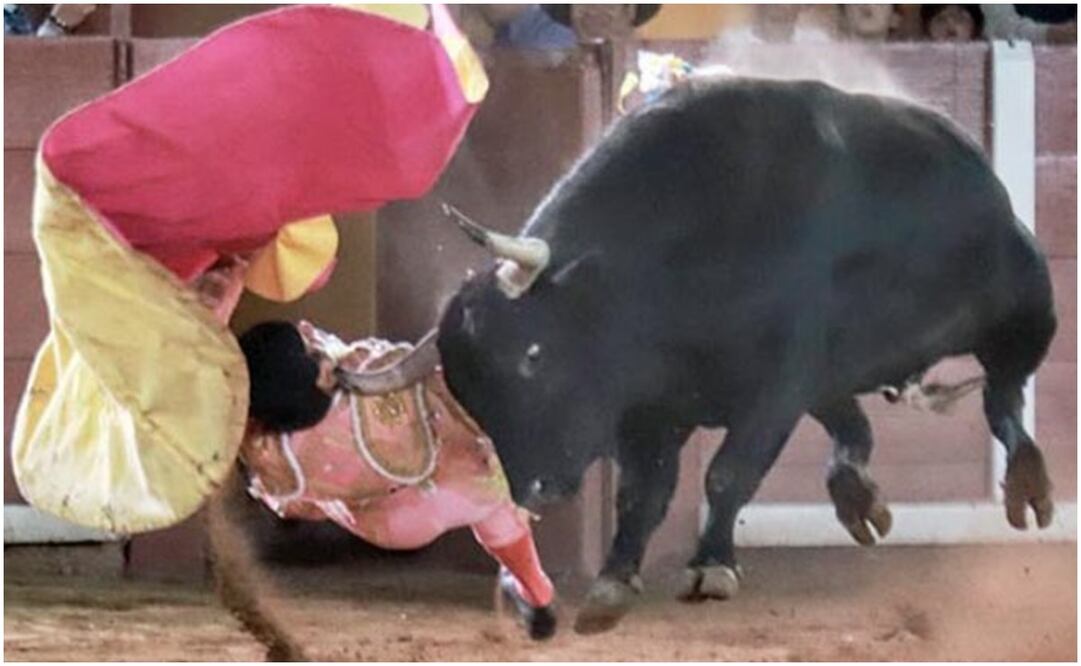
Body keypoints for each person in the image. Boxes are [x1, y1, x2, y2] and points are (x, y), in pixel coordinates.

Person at [233, 319, 557, 639]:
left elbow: (288, 501)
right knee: (489, 495)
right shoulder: (361, 367)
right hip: (462, 485)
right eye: (309, 351)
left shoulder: (275, 453)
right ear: (314, 378)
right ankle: (535, 589)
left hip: (397, 524)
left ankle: (532, 586)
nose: (314, 346)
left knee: (319, 495)